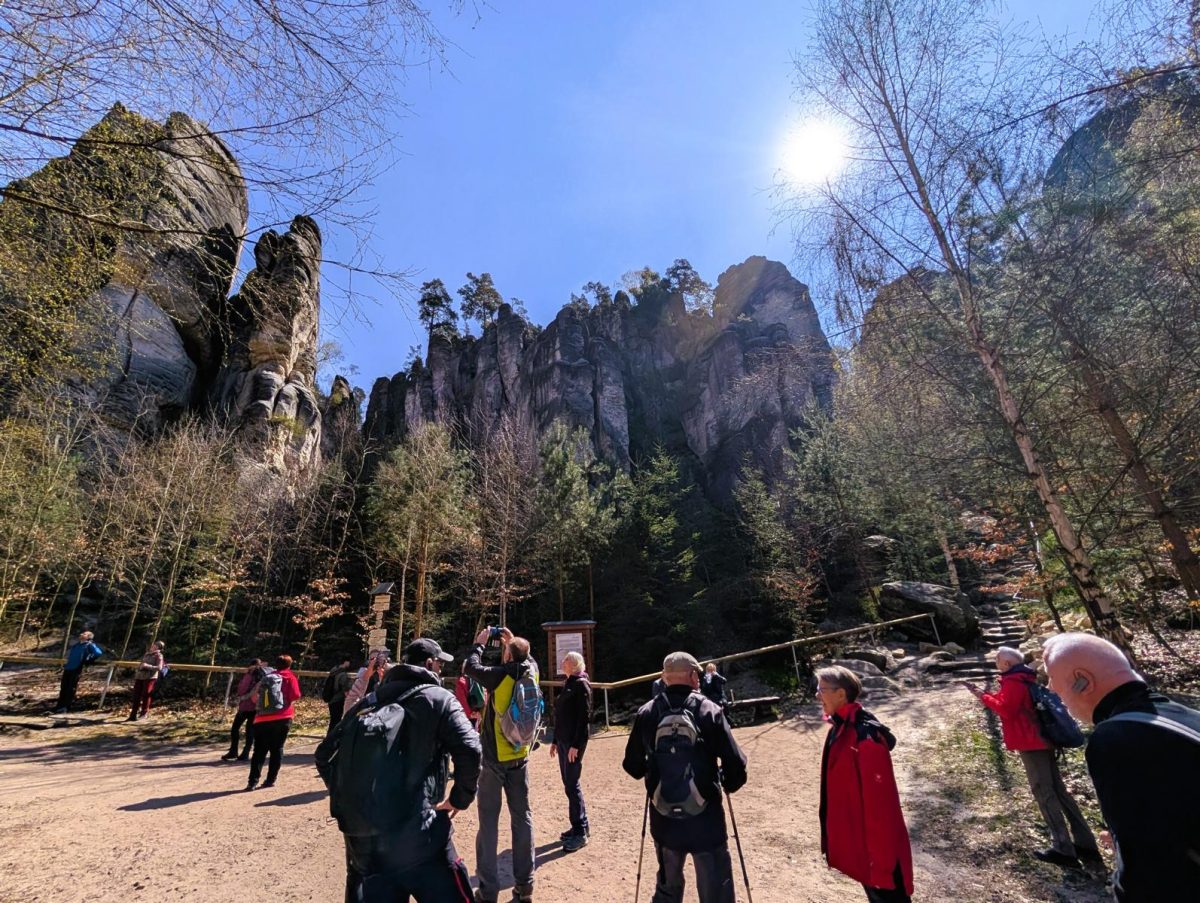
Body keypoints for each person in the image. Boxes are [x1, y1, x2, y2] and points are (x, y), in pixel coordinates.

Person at [320, 637, 480, 903]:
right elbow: (471, 748)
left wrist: (352, 795)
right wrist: (459, 799)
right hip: (420, 836)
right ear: (429, 663)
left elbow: (324, 755)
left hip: (365, 842)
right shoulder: (439, 698)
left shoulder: (370, 701)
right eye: (440, 664)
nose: (441, 669)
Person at [1043, 632, 1200, 901]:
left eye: (1052, 679)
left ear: (1083, 680)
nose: (1050, 689)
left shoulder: (1115, 739)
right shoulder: (1186, 714)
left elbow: (1148, 869)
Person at [622, 651, 747, 903]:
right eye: (697, 674)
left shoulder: (647, 712)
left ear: (664, 678)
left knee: (668, 888)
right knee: (716, 890)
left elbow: (632, 766)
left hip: (664, 817)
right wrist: (725, 781)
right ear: (692, 676)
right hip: (706, 819)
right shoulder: (709, 710)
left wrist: (654, 771)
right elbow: (736, 766)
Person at [963, 646, 1099, 867]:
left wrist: (983, 696)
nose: (996, 664)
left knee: (1044, 792)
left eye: (997, 661)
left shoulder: (1013, 681)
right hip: (1043, 740)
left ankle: (1063, 848)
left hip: (1031, 743)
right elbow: (1013, 704)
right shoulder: (1025, 678)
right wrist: (986, 694)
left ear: (1007, 664)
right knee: (1059, 791)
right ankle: (1086, 844)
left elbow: (1006, 710)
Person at [817, 665, 913, 903]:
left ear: (841, 694)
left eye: (822, 689)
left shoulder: (865, 737)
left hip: (878, 852)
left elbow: (881, 808)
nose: (817, 695)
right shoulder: (840, 728)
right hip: (862, 845)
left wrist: (880, 863)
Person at [464, 626, 539, 903]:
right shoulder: (532, 672)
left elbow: (470, 667)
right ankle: (525, 886)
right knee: (523, 819)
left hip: (495, 759)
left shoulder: (499, 676)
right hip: (521, 756)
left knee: (489, 823)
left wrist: (479, 643)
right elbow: (528, 658)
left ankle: (488, 892)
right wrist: (513, 641)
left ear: (507, 656)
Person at [548, 651, 592, 852]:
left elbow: (584, 718)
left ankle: (581, 832)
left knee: (572, 785)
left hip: (574, 744)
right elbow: (561, 716)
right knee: (569, 784)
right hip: (564, 741)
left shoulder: (581, 684)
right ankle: (579, 826)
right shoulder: (569, 683)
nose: (562, 661)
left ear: (573, 664)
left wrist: (576, 745)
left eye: (565, 660)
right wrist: (555, 741)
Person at [246, 653, 301, 791]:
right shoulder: (290, 677)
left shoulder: (267, 677)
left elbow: (254, 697)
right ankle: (270, 780)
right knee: (277, 749)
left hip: (261, 718)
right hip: (283, 717)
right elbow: (296, 695)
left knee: (259, 751)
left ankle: (252, 782)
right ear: (289, 665)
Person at [53, 630, 103, 713]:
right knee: (63, 688)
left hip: (76, 668)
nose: (81, 634)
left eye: (84, 634)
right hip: (68, 668)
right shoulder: (77, 645)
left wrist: (88, 660)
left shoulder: (89, 645)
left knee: (71, 688)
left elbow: (98, 653)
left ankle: (66, 707)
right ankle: (59, 706)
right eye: (82, 633)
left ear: (88, 637)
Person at [223, 659, 263, 761]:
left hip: (246, 706)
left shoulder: (250, 675)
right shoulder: (262, 676)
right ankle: (245, 752)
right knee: (249, 730)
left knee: (236, 728)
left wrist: (239, 696)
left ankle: (234, 751)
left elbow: (242, 690)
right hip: (256, 706)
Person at [344, 650, 390, 715]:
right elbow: (359, 685)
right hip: (361, 703)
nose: (376, 662)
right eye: (373, 659)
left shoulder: (385, 673)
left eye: (378, 659)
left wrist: (383, 675)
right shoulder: (363, 671)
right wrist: (370, 668)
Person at [128, 640, 165, 722]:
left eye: (157, 646)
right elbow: (141, 664)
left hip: (150, 677)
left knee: (146, 695)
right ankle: (133, 714)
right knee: (136, 695)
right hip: (140, 676)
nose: (154, 646)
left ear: (159, 648)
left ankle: (144, 713)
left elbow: (159, 667)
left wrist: (147, 666)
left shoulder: (159, 656)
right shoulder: (147, 654)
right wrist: (140, 667)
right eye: (154, 645)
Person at [323, 658, 353, 734]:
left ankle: (330, 737)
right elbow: (346, 689)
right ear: (345, 662)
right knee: (336, 722)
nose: (349, 664)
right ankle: (332, 738)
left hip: (331, 699)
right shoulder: (342, 674)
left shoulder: (333, 670)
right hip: (338, 700)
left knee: (333, 721)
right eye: (348, 662)